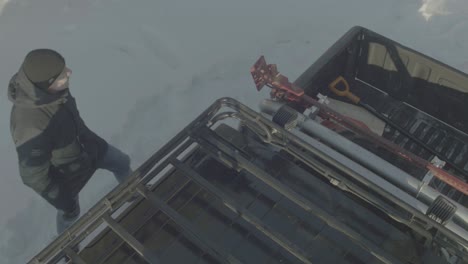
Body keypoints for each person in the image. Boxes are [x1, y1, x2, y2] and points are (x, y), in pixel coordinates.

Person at [8, 49, 133, 234]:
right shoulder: (31, 126)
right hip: (68, 173)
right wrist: (62, 199)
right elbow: (32, 176)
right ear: (46, 86)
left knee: (122, 162)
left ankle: (132, 194)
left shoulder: (53, 90)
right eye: (61, 76)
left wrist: (89, 141)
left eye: (64, 69)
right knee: (69, 214)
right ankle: (69, 248)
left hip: (91, 147)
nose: (69, 73)